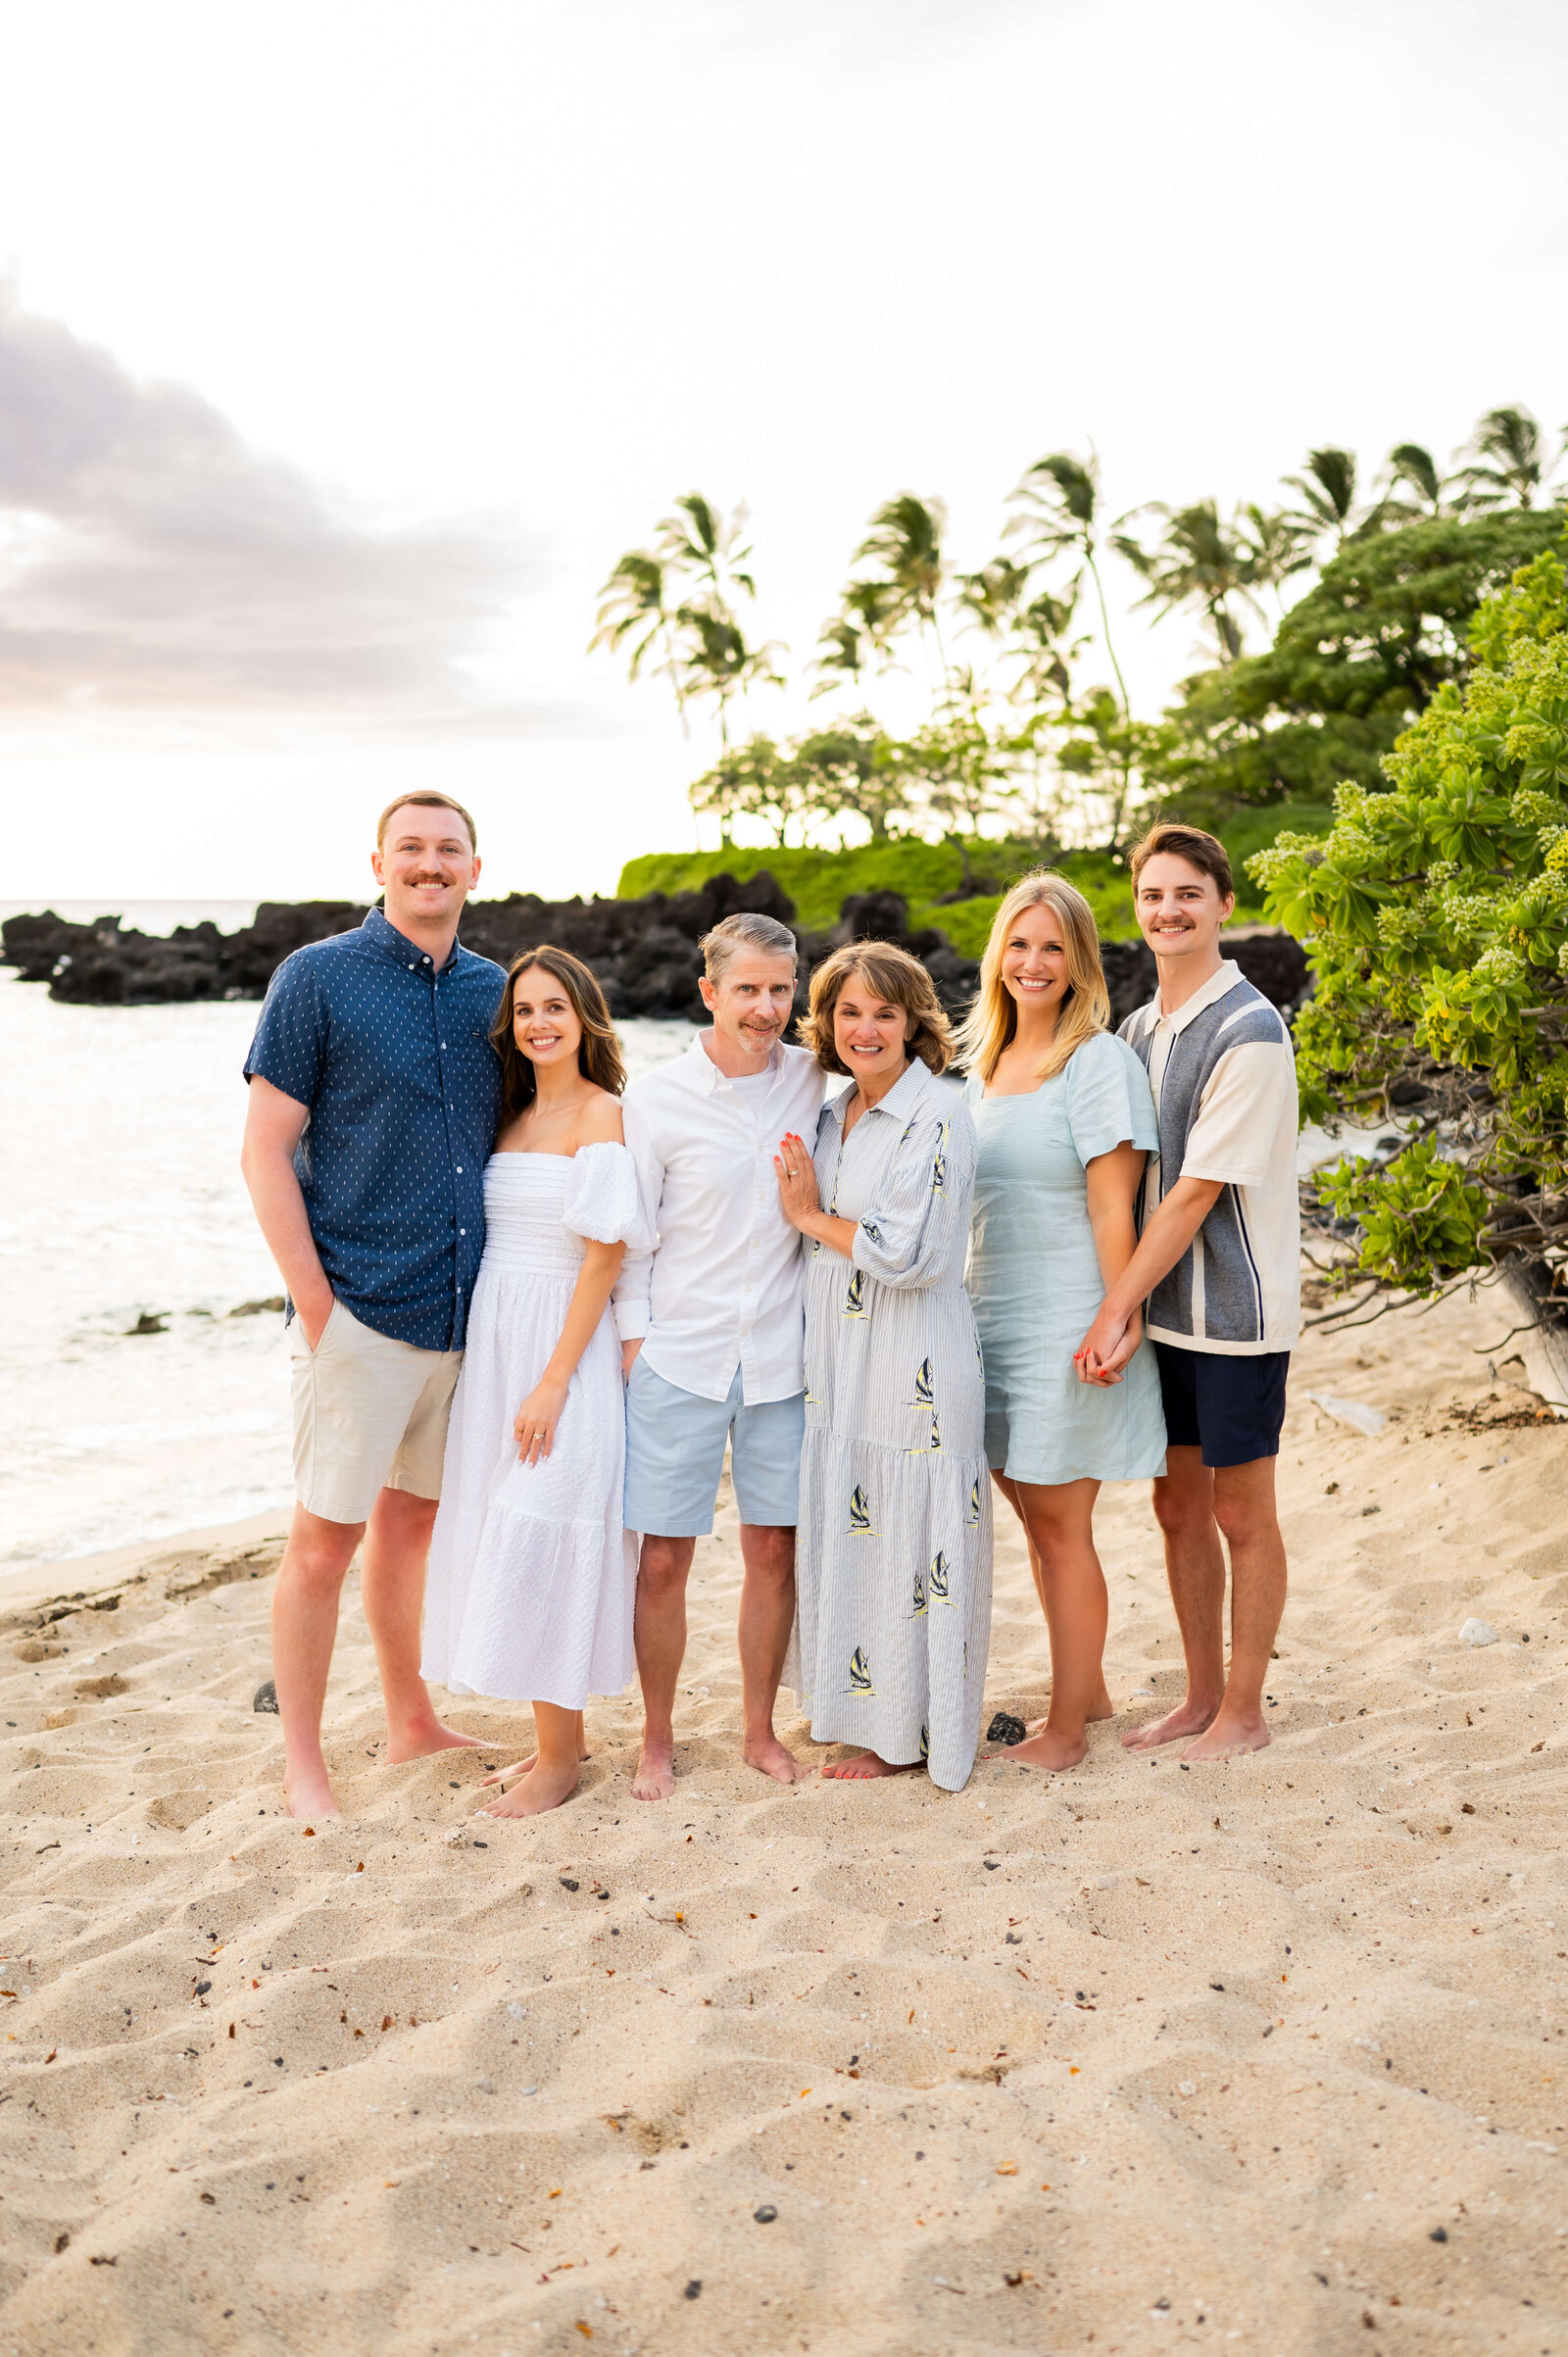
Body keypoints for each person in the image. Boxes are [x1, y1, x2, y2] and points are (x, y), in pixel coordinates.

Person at [240, 792, 505, 1819]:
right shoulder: (316, 979)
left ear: (475, 869)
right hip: (358, 1312)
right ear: (379, 863)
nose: (429, 865)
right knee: (322, 1542)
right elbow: (265, 1147)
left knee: (409, 1530)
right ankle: (305, 1762)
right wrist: (315, 1304)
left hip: (459, 1319)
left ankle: (409, 1718)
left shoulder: (493, 990)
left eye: (448, 850)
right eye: (412, 849)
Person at [1076, 822, 1299, 1761]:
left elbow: (1196, 1194)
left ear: (1224, 905)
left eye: (1188, 894)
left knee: (1241, 1514)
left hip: (1238, 1316)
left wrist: (1110, 1307)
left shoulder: (1251, 1028)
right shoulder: (1137, 1028)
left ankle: (1245, 1710)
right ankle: (1200, 1693)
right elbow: (1126, 1183)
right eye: (1153, 895)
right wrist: (1127, 1302)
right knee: (1176, 1509)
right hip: (1168, 1311)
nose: (1168, 910)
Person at [420, 948, 649, 1818]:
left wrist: (555, 1379)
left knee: (541, 1527)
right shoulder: (511, 1115)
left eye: (556, 1006)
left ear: (586, 1015)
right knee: (502, 1525)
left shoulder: (602, 1114)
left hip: (564, 1348)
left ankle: (560, 1758)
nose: (539, 1022)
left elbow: (604, 1255)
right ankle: (558, 1740)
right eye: (524, 1011)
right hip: (499, 1340)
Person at [614, 909, 826, 1800]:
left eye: (781, 989)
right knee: (663, 1558)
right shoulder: (655, 1099)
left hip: (784, 1359)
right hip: (681, 1358)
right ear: (710, 992)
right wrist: (635, 1350)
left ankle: (756, 1730)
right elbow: (633, 1241)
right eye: (748, 989)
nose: (767, 1007)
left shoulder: (818, 1080)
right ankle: (656, 1738)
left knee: (773, 1550)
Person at [959, 873, 1166, 1772]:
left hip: (1065, 1317)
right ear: (997, 954)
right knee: (1027, 1508)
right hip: (983, 1313)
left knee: (1058, 1523)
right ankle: (1091, 1687)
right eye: (1019, 943)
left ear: (1080, 960)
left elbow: (1112, 1207)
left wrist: (1117, 1319)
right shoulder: (978, 1065)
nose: (1032, 963)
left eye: (1052, 947)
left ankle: (1068, 1730)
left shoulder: (1099, 1062)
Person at [775, 942, 991, 1792]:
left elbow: (910, 1253)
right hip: (840, 1361)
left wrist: (806, 1214)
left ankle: (905, 1736)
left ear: (914, 1023)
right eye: (849, 1012)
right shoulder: (833, 1113)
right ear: (827, 1022)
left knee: (910, 1544)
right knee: (859, 1533)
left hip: (916, 1365)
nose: (865, 1029)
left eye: (885, 1013)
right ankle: (863, 1717)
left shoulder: (937, 1111)